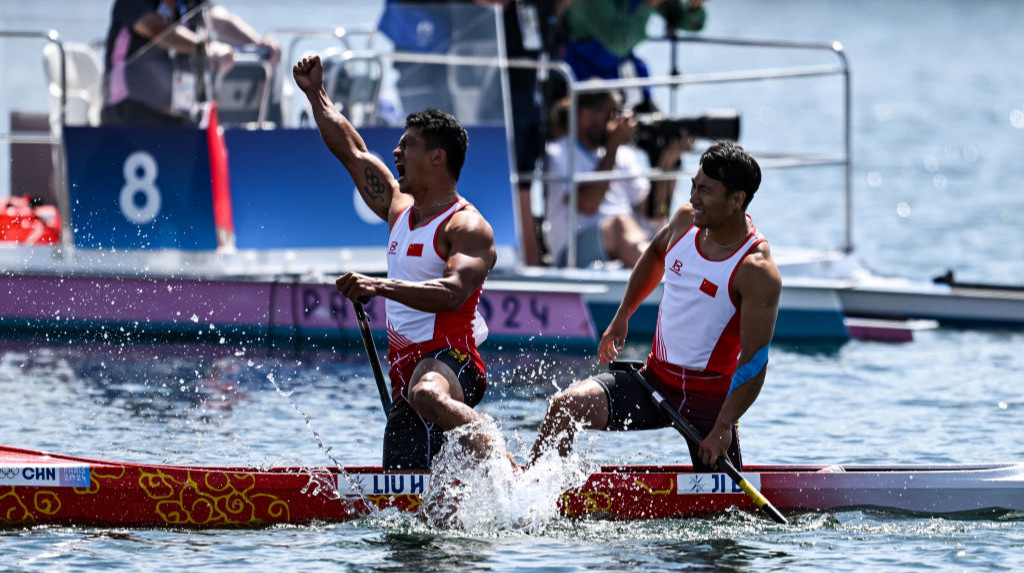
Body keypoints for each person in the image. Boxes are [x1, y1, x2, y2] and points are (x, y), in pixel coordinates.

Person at [293, 55, 498, 471]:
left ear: (437, 158)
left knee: (426, 395)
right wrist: (316, 93)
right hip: (406, 375)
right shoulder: (399, 210)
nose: (396, 151)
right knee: (407, 505)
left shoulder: (467, 225)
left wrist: (379, 286)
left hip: (453, 362)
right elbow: (352, 151)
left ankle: (498, 455)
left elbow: (452, 294)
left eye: (408, 144)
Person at [529, 141, 781, 472]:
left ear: (736, 200)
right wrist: (622, 317)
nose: (693, 198)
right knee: (564, 407)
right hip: (654, 383)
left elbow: (753, 362)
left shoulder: (756, 270)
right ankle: (535, 495)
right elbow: (654, 256)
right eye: (693, 185)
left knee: (726, 512)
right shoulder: (683, 222)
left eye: (705, 191)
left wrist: (722, 427)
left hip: (711, 404)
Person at [544, 90, 689, 268]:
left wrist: (669, 162)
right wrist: (612, 146)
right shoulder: (558, 153)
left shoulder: (624, 155)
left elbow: (653, 214)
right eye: (611, 113)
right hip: (572, 252)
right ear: (584, 116)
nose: (618, 121)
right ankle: (670, 281)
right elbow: (588, 204)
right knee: (619, 226)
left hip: (627, 245)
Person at [101, 0, 279, 127]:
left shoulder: (189, 3)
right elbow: (157, 29)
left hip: (180, 118)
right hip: (127, 114)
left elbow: (221, 21)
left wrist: (259, 44)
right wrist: (206, 48)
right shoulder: (133, 3)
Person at [557, 0, 707, 109]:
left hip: (619, 78)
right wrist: (650, 4)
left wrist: (694, 6)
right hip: (584, 85)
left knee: (667, 135)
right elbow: (617, 42)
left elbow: (691, 23)